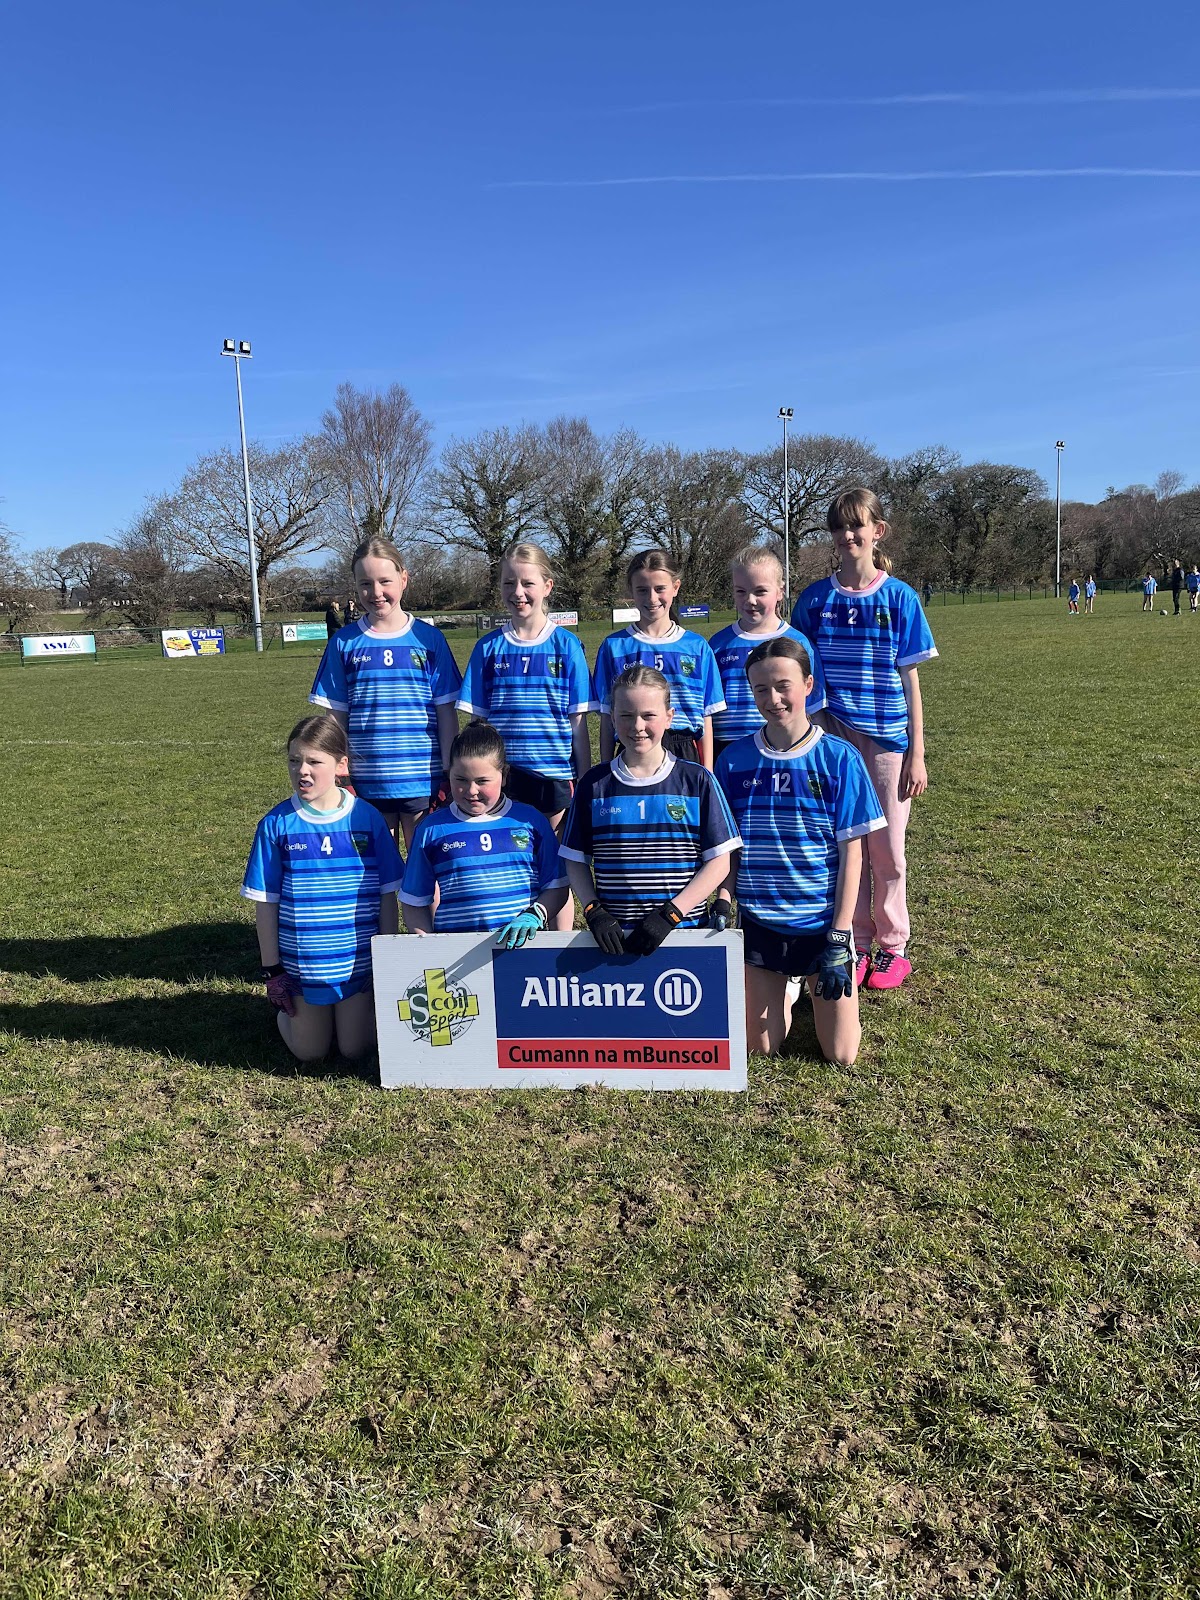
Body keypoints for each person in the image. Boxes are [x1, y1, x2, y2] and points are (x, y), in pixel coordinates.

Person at [791, 487, 938, 991]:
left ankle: (893, 947)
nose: (847, 535)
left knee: (888, 850)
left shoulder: (900, 597)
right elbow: (803, 674)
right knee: (846, 844)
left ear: (878, 531)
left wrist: (917, 752)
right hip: (832, 738)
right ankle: (853, 942)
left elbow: (911, 681)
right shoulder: (814, 599)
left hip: (888, 740)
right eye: (838, 527)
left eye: (856, 525)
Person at [715, 638, 885, 1065]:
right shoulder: (733, 760)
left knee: (842, 1055)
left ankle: (807, 982)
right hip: (761, 920)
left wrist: (840, 934)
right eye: (761, 689)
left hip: (821, 925)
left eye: (783, 686)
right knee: (761, 1048)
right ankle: (787, 986)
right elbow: (729, 848)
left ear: (808, 684)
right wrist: (724, 899)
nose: (773, 699)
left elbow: (853, 857)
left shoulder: (840, 759)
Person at [241, 715, 404, 1062]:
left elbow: (386, 895)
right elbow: (266, 904)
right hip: (303, 965)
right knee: (310, 1053)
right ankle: (292, 1017)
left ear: (341, 765)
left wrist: (387, 959)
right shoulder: (276, 824)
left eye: (314, 761)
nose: (302, 770)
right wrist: (272, 970)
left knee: (354, 1049)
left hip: (357, 964)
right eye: (294, 760)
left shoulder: (367, 818)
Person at [456, 542, 594, 929]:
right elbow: (479, 726)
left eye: (527, 583)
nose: (518, 592)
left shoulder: (566, 645)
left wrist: (584, 780)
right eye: (509, 583)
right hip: (502, 777)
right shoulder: (488, 648)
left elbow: (578, 724)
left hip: (552, 776)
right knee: (511, 860)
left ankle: (558, 943)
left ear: (547, 586)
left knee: (555, 866)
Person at [560, 666, 740, 956]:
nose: (637, 726)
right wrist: (594, 911)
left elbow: (720, 861)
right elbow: (574, 858)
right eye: (626, 716)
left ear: (669, 717)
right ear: (612, 718)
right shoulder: (594, 784)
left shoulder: (697, 780)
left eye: (648, 715)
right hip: (615, 941)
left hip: (684, 934)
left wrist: (671, 914)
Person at [309, 537, 462, 849]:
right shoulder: (344, 643)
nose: (376, 592)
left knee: (424, 868)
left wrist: (449, 770)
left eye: (385, 581)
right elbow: (335, 716)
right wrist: (340, 770)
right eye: (365, 584)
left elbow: (446, 712)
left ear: (404, 579)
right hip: (367, 781)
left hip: (422, 779)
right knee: (379, 871)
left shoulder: (429, 639)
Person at [401, 721, 567, 943]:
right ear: (448, 774)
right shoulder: (431, 829)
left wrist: (536, 914)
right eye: (460, 779)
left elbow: (557, 886)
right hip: (457, 956)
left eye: (482, 781)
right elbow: (414, 902)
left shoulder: (531, 821)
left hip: (522, 953)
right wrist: (430, 948)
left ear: (504, 775)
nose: (471, 790)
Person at [593, 550, 725, 769]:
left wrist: (708, 771)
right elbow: (608, 716)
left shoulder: (697, 647)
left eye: (660, 589)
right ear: (631, 591)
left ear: (675, 587)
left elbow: (706, 717)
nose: (652, 598)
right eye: (642, 590)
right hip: (632, 746)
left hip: (683, 750)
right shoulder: (614, 647)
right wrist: (606, 769)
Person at [709, 543, 827, 764]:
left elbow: (815, 708)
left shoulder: (800, 643)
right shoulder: (718, 644)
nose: (750, 600)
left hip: (785, 746)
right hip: (729, 751)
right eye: (741, 591)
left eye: (760, 591)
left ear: (780, 591)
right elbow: (708, 710)